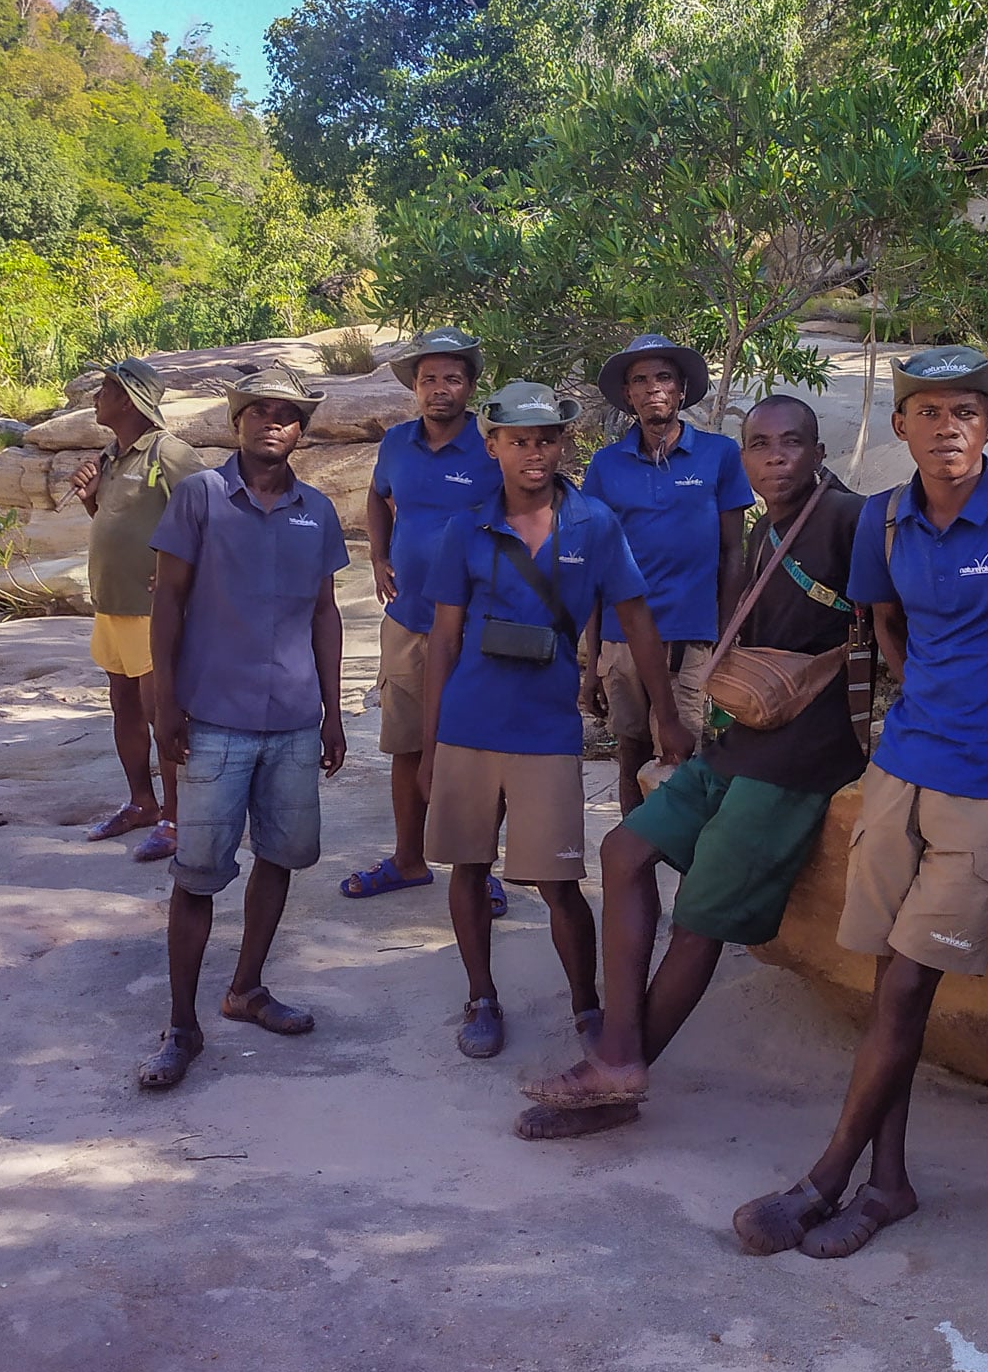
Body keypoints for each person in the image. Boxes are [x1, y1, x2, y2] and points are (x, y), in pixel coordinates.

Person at [733, 347, 988, 1263]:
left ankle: (825, 1178)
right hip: (905, 766)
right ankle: (889, 1184)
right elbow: (882, 620)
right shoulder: (887, 519)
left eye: (967, 412)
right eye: (928, 412)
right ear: (900, 427)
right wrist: (921, 688)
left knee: (905, 981)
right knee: (884, 985)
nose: (948, 428)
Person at [516, 394, 867, 1141]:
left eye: (792, 442)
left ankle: (618, 1069)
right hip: (739, 739)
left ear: (817, 451)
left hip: (797, 758)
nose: (775, 456)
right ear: (742, 457)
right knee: (623, 848)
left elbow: (895, 616)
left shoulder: (846, 518)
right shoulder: (766, 523)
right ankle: (619, 1054)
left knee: (700, 913)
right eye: (760, 443)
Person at [418, 380, 694, 1061]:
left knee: (559, 881)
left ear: (564, 443)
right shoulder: (467, 527)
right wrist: (429, 745)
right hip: (469, 722)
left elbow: (637, 620)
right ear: (493, 447)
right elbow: (444, 641)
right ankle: (481, 995)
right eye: (518, 441)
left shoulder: (595, 524)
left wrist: (667, 714)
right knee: (468, 864)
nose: (533, 454)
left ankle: (584, 1002)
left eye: (546, 439)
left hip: (545, 729)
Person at [134, 365, 350, 1091]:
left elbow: (324, 611)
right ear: (238, 422)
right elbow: (167, 603)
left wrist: (332, 709)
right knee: (197, 876)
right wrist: (166, 703)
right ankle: (181, 1026)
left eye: (287, 414)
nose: (272, 423)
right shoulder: (199, 497)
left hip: (292, 718)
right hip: (215, 716)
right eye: (259, 411)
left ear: (300, 430)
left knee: (280, 857)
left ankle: (247, 987)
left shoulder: (316, 510)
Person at [342, 327, 505, 908]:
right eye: (430, 379)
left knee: (478, 748)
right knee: (407, 744)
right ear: (414, 387)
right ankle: (409, 859)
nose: (440, 389)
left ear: (470, 386)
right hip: (408, 619)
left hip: (478, 625)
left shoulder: (492, 448)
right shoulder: (396, 443)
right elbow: (377, 498)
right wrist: (378, 556)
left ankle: (479, 870)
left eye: (453, 379)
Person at [581, 333, 752, 817]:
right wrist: (593, 657)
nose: (653, 388)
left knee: (683, 751)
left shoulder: (717, 455)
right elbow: (596, 566)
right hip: (621, 639)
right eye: (640, 380)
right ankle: (633, 846)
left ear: (681, 390)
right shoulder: (606, 465)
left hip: (692, 634)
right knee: (631, 746)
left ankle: (682, 858)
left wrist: (726, 637)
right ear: (628, 396)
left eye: (663, 377)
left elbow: (733, 551)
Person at [70, 357, 203, 863]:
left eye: (105, 388)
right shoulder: (111, 456)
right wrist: (89, 498)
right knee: (123, 707)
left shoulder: (169, 454)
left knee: (160, 712)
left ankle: (175, 817)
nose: (97, 398)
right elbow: (113, 521)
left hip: (155, 610)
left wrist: (188, 579)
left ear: (127, 398)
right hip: (114, 607)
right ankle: (141, 803)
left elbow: (210, 516)